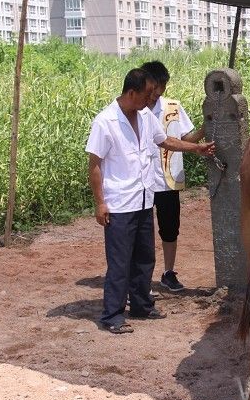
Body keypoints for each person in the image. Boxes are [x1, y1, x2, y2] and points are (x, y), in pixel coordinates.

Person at [86, 68, 215, 334]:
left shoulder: (145, 116)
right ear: (131, 92)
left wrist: (196, 149)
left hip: (144, 199)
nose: (152, 99)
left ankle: (142, 306)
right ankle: (112, 315)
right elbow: (95, 165)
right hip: (120, 203)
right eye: (147, 94)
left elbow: (165, 140)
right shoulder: (105, 121)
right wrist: (100, 203)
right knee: (120, 261)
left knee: (144, 258)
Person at [141, 61, 204, 293]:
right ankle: (141, 276)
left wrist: (204, 130)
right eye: (154, 88)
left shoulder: (173, 107)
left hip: (168, 180)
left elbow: (187, 138)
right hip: (144, 181)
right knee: (142, 231)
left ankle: (168, 272)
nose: (157, 93)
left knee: (170, 228)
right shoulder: (136, 109)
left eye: (162, 88)